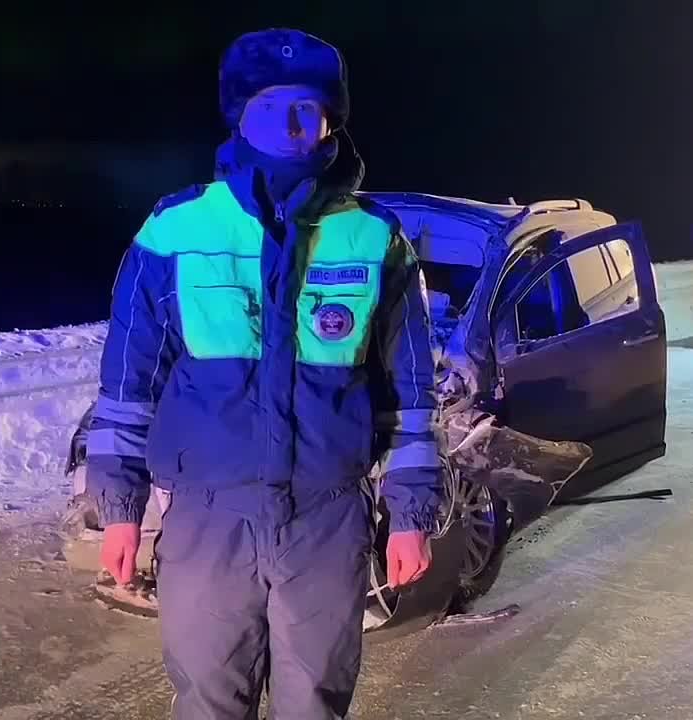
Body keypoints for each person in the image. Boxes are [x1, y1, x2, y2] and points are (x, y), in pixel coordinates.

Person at [84, 28, 445, 719]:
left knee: (315, 701)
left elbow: (410, 398)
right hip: (207, 520)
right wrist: (120, 511)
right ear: (238, 115)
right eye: (269, 105)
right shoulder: (176, 229)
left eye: (307, 107)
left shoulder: (377, 238)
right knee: (207, 699)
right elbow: (128, 386)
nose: (290, 123)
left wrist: (410, 516)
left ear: (331, 119)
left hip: (327, 520)